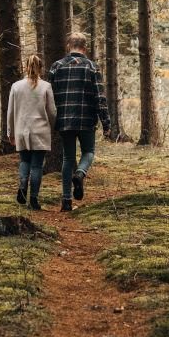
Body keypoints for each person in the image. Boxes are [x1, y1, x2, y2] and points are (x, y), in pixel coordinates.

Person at [48, 32, 110, 212]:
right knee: (89, 152)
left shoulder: (56, 66)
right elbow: (100, 98)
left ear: (69, 46)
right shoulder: (92, 67)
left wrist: (51, 121)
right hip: (86, 119)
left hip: (64, 120)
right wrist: (106, 123)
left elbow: (49, 97)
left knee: (68, 158)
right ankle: (80, 173)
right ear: (85, 48)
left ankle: (66, 200)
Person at [6, 54, 56, 210]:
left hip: (21, 130)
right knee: (36, 167)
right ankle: (33, 199)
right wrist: (52, 127)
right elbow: (52, 112)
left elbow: (10, 112)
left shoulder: (16, 86)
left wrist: (10, 132)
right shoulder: (46, 86)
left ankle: (22, 186)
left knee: (24, 161)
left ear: (25, 67)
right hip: (40, 131)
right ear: (41, 68)